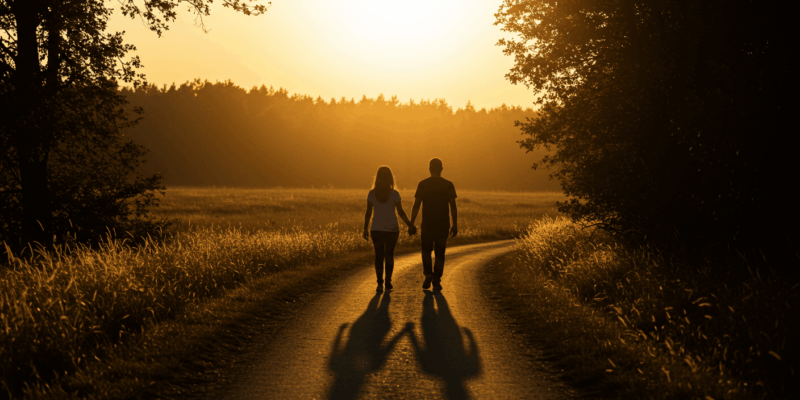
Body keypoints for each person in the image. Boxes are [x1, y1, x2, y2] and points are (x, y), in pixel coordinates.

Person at [363, 166, 415, 292]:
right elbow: (401, 212)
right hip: (392, 229)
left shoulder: (372, 193)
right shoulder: (395, 194)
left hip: (376, 229)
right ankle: (388, 282)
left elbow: (368, 213)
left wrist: (365, 228)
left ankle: (379, 283)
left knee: (379, 256)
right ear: (391, 178)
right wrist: (410, 225)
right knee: (389, 256)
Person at [409, 158, 457, 291]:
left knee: (426, 251)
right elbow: (453, 206)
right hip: (443, 224)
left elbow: (416, 205)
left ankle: (428, 273)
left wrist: (411, 223)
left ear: (429, 169)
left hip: (427, 225)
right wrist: (455, 224)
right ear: (441, 169)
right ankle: (437, 280)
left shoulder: (423, 184)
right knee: (440, 253)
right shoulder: (448, 185)